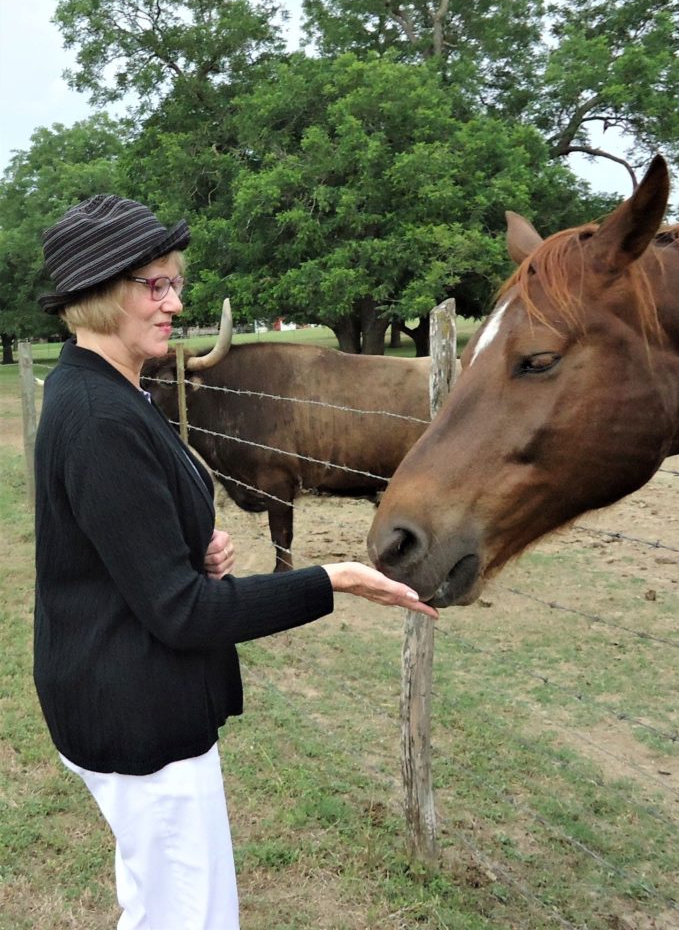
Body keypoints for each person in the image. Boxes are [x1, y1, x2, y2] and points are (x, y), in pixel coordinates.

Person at [33, 193, 438, 930]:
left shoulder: (104, 393)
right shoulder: (99, 418)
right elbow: (182, 615)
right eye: (154, 285)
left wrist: (191, 550)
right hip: (139, 718)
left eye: (175, 281)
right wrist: (333, 578)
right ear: (96, 296)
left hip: (126, 695)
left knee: (154, 906)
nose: (174, 301)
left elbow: (127, 554)